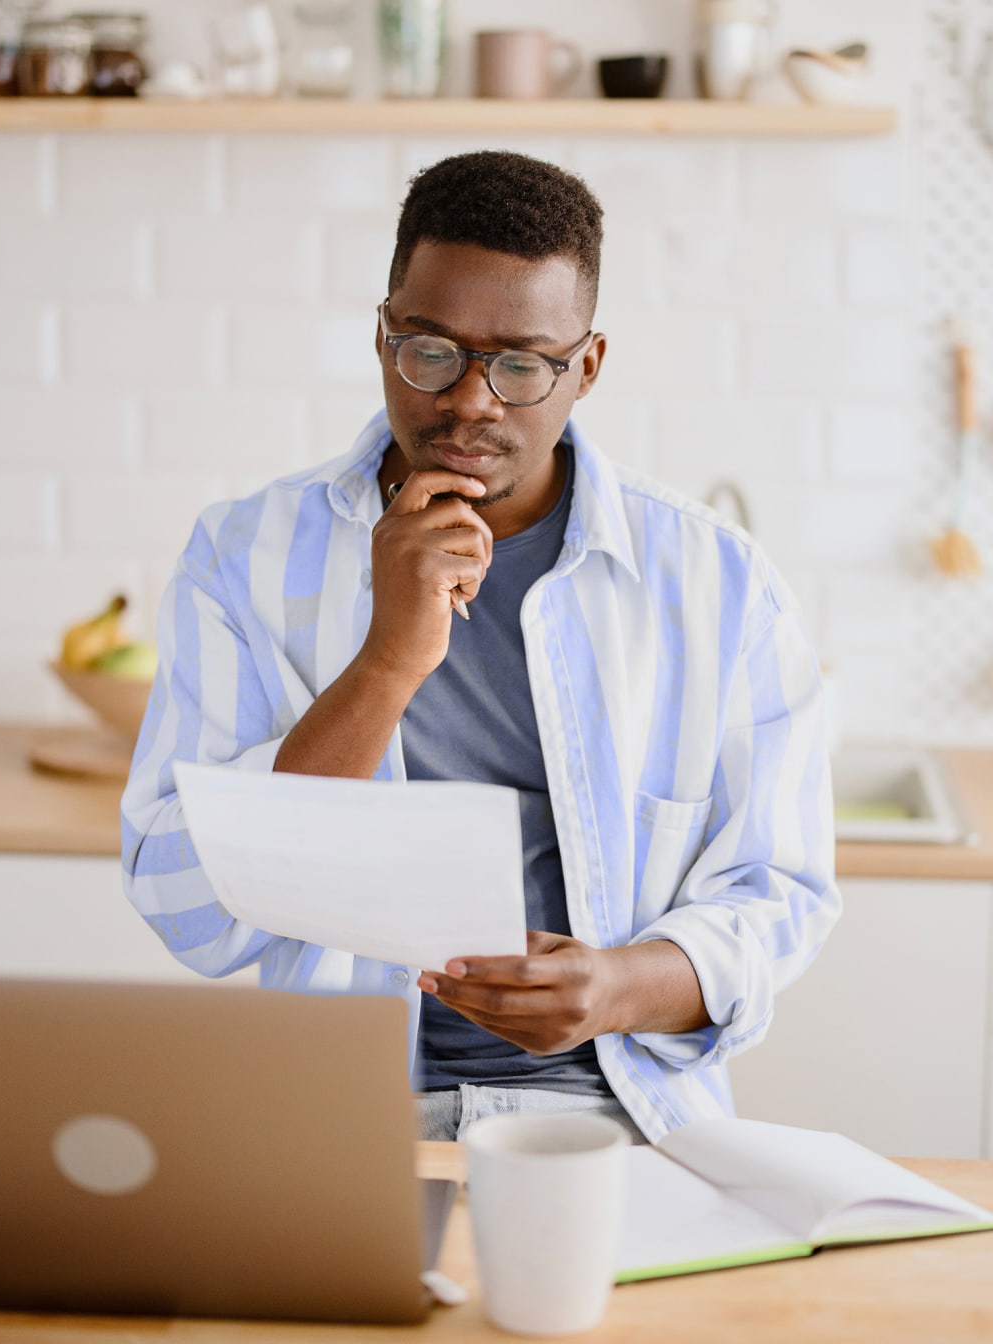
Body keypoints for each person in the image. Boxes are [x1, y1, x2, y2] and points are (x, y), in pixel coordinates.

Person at [121, 150, 840, 1144]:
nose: (470, 402)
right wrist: (386, 664)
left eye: (521, 364)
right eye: (430, 350)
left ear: (586, 368)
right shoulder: (242, 558)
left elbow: (780, 894)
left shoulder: (716, 584)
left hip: (616, 1117)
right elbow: (183, 903)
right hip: (340, 1120)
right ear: (382, 336)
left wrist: (617, 987)